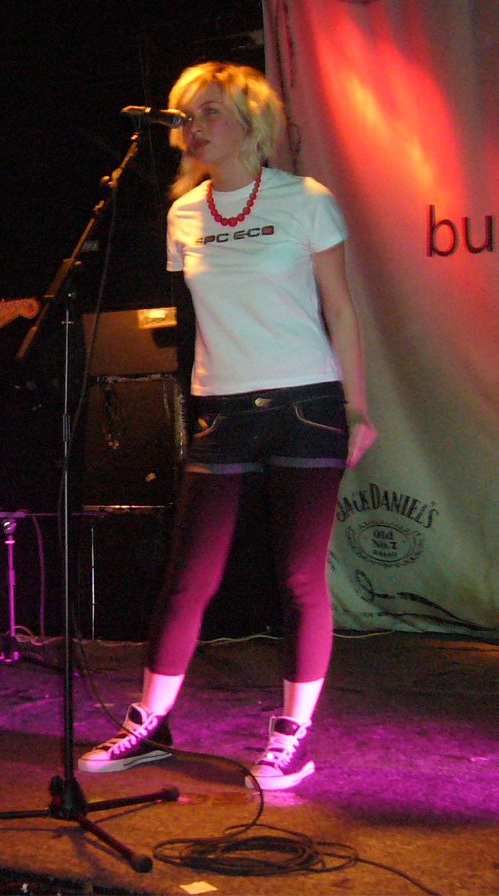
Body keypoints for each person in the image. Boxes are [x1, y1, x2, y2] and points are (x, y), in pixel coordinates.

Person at [78, 62, 377, 789]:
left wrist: (359, 408)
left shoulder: (304, 199)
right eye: (186, 115)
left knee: (300, 577)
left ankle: (292, 735)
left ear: (252, 123)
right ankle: (150, 723)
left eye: (210, 111)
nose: (193, 126)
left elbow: (341, 310)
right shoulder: (185, 215)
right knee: (188, 575)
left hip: (307, 404)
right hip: (222, 409)